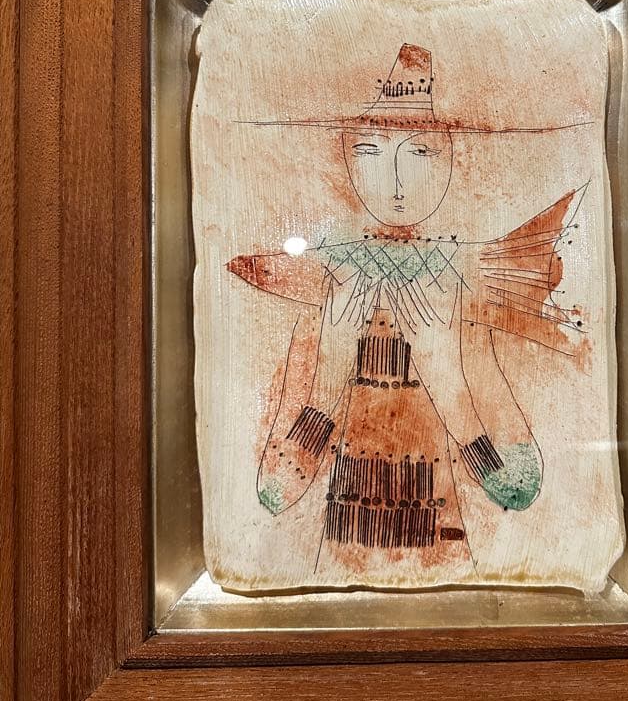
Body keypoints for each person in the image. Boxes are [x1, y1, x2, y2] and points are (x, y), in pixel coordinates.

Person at [229, 43, 583, 576]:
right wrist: (326, 381)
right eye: (370, 153)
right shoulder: (333, 282)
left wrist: (452, 387)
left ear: (449, 159)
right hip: (341, 560)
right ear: (348, 159)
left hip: (444, 555)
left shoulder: (455, 287)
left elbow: (518, 487)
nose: (395, 182)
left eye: (419, 155)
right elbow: (275, 490)